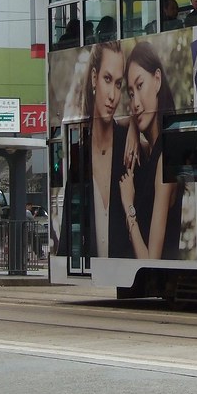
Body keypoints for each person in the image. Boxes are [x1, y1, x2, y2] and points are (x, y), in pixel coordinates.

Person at [119, 41, 181, 259]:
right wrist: (133, 126)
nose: (135, 102)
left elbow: (151, 260)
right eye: (130, 93)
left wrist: (128, 206)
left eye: (140, 85)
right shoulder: (150, 151)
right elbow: (108, 124)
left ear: (157, 80)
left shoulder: (165, 159)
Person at [82, 41, 133, 259]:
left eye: (119, 84)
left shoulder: (129, 149)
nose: (113, 95)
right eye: (107, 79)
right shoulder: (80, 150)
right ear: (94, 78)